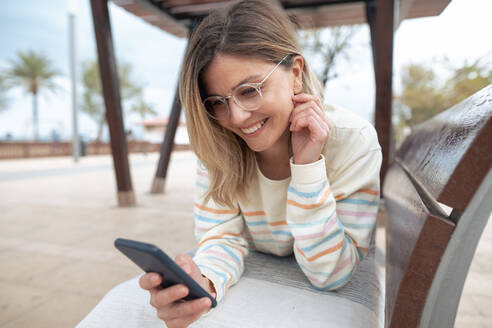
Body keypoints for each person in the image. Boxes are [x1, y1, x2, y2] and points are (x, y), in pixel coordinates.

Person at [137, 0, 382, 327]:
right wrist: (204, 282)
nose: (236, 117)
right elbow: (223, 237)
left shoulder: (353, 142)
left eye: (249, 91)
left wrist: (307, 168)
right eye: (217, 102)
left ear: (295, 74)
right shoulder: (217, 144)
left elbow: (330, 274)